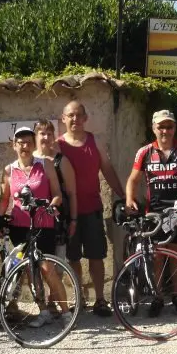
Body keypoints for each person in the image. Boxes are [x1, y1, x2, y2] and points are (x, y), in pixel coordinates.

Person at [57, 100, 126, 317]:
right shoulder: (58, 146)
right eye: (70, 115)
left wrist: (123, 195)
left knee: (96, 256)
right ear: (63, 118)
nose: (75, 119)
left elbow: (107, 169)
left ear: (85, 118)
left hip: (93, 208)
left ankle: (100, 299)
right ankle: (79, 298)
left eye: (79, 115)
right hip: (69, 213)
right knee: (73, 258)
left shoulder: (94, 142)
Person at [0, 126, 70, 327]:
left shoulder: (45, 165)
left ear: (33, 144)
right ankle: (43, 311)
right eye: (20, 143)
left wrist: (51, 206)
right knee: (30, 270)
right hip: (19, 226)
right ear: (14, 145)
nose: (25, 146)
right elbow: (4, 199)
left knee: (47, 269)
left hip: (43, 224)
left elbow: (57, 194)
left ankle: (65, 313)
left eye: (29, 142)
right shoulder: (9, 170)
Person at [125, 109, 177, 316]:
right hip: (153, 211)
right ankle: (157, 297)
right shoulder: (145, 152)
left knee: (176, 253)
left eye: (169, 126)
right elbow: (133, 179)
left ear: (175, 128)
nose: (165, 130)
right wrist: (129, 199)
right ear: (153, 128)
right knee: (156, 256)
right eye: (161, 126)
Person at [33, 118, 77, 260]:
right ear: (36, 136)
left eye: (49, 134)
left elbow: (71, 193)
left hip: (57, 219)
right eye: (42, 133)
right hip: (34, 218)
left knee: (56, 265)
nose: (46, 137)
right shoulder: (30, 159)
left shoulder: (61, 161)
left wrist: (73, 220)